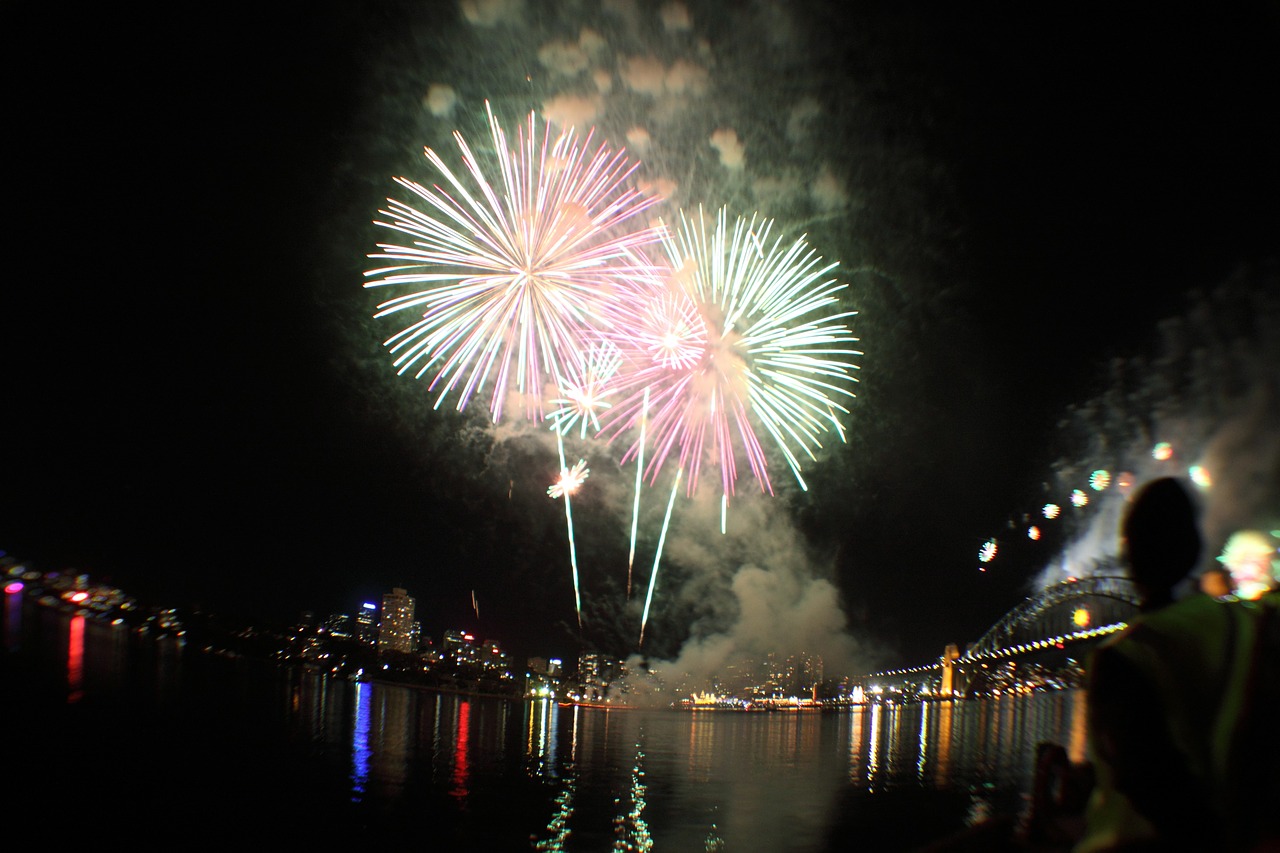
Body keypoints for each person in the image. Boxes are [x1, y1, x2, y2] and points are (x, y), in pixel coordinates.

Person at [1074, 477, 1267, 852]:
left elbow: (1154, 787)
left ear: (1130, 559)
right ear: (1193, 549)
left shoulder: (1124, 656)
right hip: (1243, 830)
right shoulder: (1246, 624)